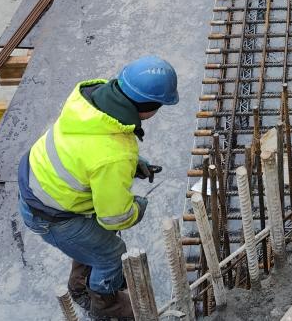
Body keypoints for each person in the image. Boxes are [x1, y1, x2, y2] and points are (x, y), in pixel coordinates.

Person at [18, 56, 179, 320]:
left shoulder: (90, 103)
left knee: (95, 239)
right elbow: (115, 216)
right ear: (150, 108)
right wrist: (138, 207)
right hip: (50, 216)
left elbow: (87, 153)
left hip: (39, 188)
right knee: (112, 253)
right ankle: (106, 306)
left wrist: (132, 164)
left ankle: (80, 285)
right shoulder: (114, 155)